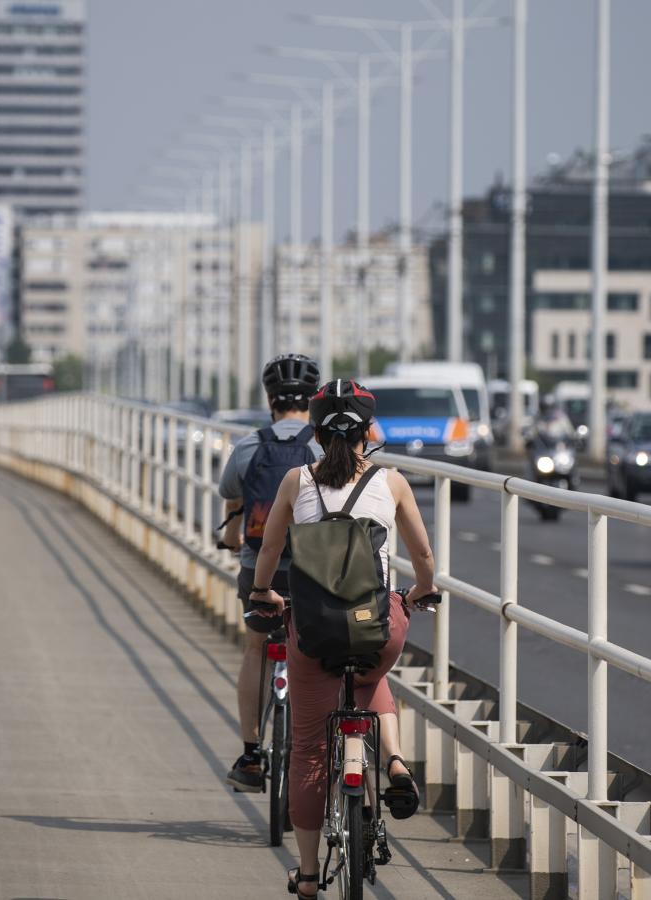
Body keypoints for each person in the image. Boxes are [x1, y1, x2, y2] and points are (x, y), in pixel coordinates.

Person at [248, 379, 439, 899]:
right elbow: (423, 558)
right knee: (370, 666)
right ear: (369, 432)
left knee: (308, 751)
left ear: (313, 431)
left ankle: (308, 876)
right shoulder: (392, 481)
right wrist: (420, 592)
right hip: (376, 625)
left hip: (312, 631)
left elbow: (270, 551)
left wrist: (264, 591)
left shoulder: (296, 480)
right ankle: (394, 759)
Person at [217, 354, 323, 793]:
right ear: (313, 401)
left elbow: (233, 505)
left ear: (269, 399)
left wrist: (232, 540)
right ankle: (316, 749)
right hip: (312, 574)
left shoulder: (248, 447)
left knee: (256, 649)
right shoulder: (322, 448)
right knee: (317, 654)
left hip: (259, 572)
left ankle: (250, 753)